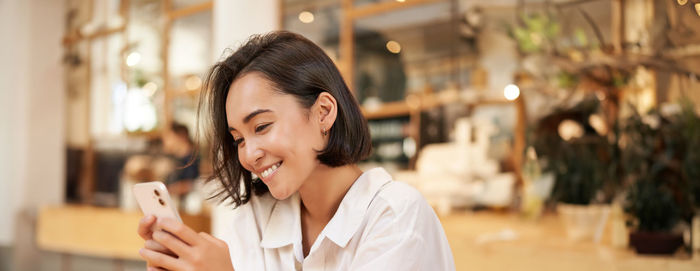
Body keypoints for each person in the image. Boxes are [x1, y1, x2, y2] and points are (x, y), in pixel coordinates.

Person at [137, 31, 455, 271]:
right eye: (239, 140)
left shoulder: (397, 216)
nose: (248, 155)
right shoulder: (259, 219)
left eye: (261, 127)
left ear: (323, 113)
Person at [161, 122, 200, 202]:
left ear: (181, 136)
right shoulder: (175, 158)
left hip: (190, 204)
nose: (165, 141)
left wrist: (166, 191)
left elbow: (191, 185)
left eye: (168, 137)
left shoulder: (193, 159)